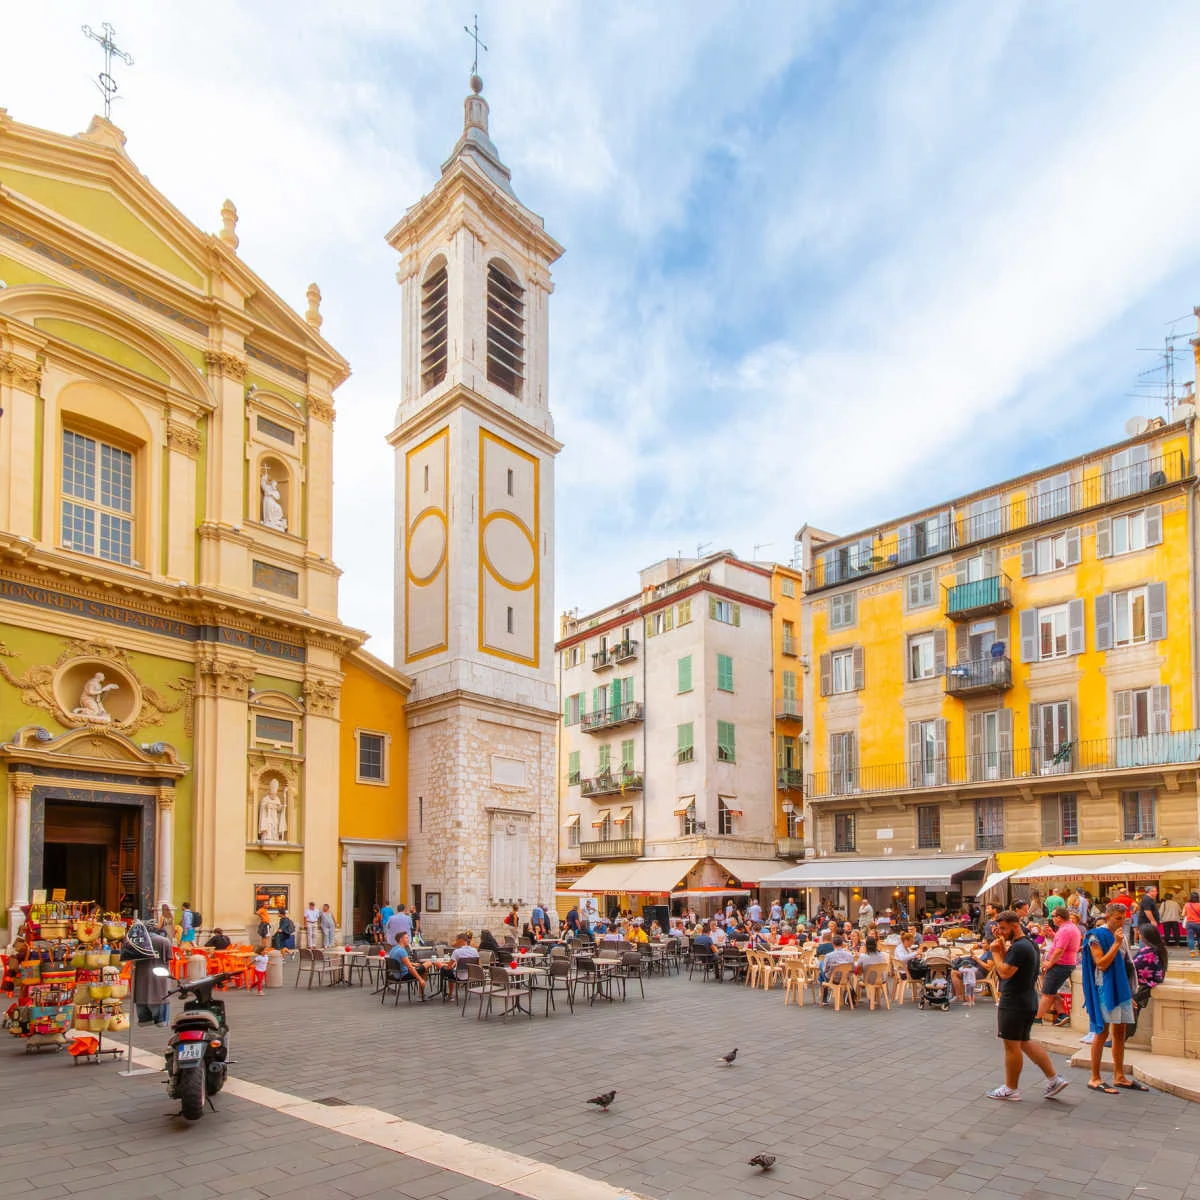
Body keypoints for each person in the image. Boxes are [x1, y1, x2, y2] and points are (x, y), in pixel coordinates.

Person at [986, 910, 1069, 1102]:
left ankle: (1011, 1088)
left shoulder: (1020, 947)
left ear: (1015, 926)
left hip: (1014, 1001)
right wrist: (1002, 946)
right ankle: (1054, 1079)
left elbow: (1005, 971)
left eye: (1003, 928)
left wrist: (995, 952)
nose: (1001, 932)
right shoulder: (1028, 944)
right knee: (1024, 1042)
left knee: (1011, 1045)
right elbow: (1012, 964)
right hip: (1027, 999)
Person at [1081, 902, 1145, 1093]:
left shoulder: (1120, 935)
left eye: (1124, 918)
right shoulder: (1096, 936)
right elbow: (1101, 964)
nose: (1122, 922)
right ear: (1107, 917)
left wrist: (1129, 992)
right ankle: (1095, 1077)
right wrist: (1116, 943)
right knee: (1102, 1031)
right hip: (1105, 987)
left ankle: (1119, 1075)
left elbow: (1125, 964)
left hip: (1121, 987)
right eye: (1118, 918)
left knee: (1120, 1032)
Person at [1036, 907, 1080, 1027]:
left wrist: (1049, 963)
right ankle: (1062, 1014)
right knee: (1051, 991)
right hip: (1064, 964)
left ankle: (1037, 1018)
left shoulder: (1065, 930)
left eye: (1053, 916)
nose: (1052, 919)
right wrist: (1052, 934)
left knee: (1047, 993)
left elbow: (1059, 950)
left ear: (1059, 917)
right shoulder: (1069, 928)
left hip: (1060, 965)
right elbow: (1061, 943)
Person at [133, 924, 173, 1026]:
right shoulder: (165, 941)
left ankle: (144, 1020)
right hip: (160, 976)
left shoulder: (137, 942)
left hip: (141, 977)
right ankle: (161, 1020)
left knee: (142, 993)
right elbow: (169, 957)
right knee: (161, 994)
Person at [388, 931, 427, 998]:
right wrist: (420, 979)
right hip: (403, 975)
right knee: (427, 964)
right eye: (406, 938)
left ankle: (421, 993)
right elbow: (410, 968)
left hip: (395, 975)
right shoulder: (402, 951)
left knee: (422, 967)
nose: (408, 939)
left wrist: (413, 964)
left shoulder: (393, 949)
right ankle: (421, 993)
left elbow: (399, 961)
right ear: (401, 939)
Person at [447, 931, 479, 1001]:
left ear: (460, 940)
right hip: (471, 976)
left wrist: (453, 965)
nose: (456, 942)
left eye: (456, 940)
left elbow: (449, 967)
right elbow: (479, 965)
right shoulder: (475, 950)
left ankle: (450, 994)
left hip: (458, 976)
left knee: (445, 970)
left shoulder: (457, 951)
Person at [1185, 891, 1200, 957]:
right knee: (1199, 937)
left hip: (1190, 924)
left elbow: (1183, 914)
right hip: (1199, 923)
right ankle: (1199, 952)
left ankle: (1192, 953)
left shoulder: (1187, 905)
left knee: (1191, 938)